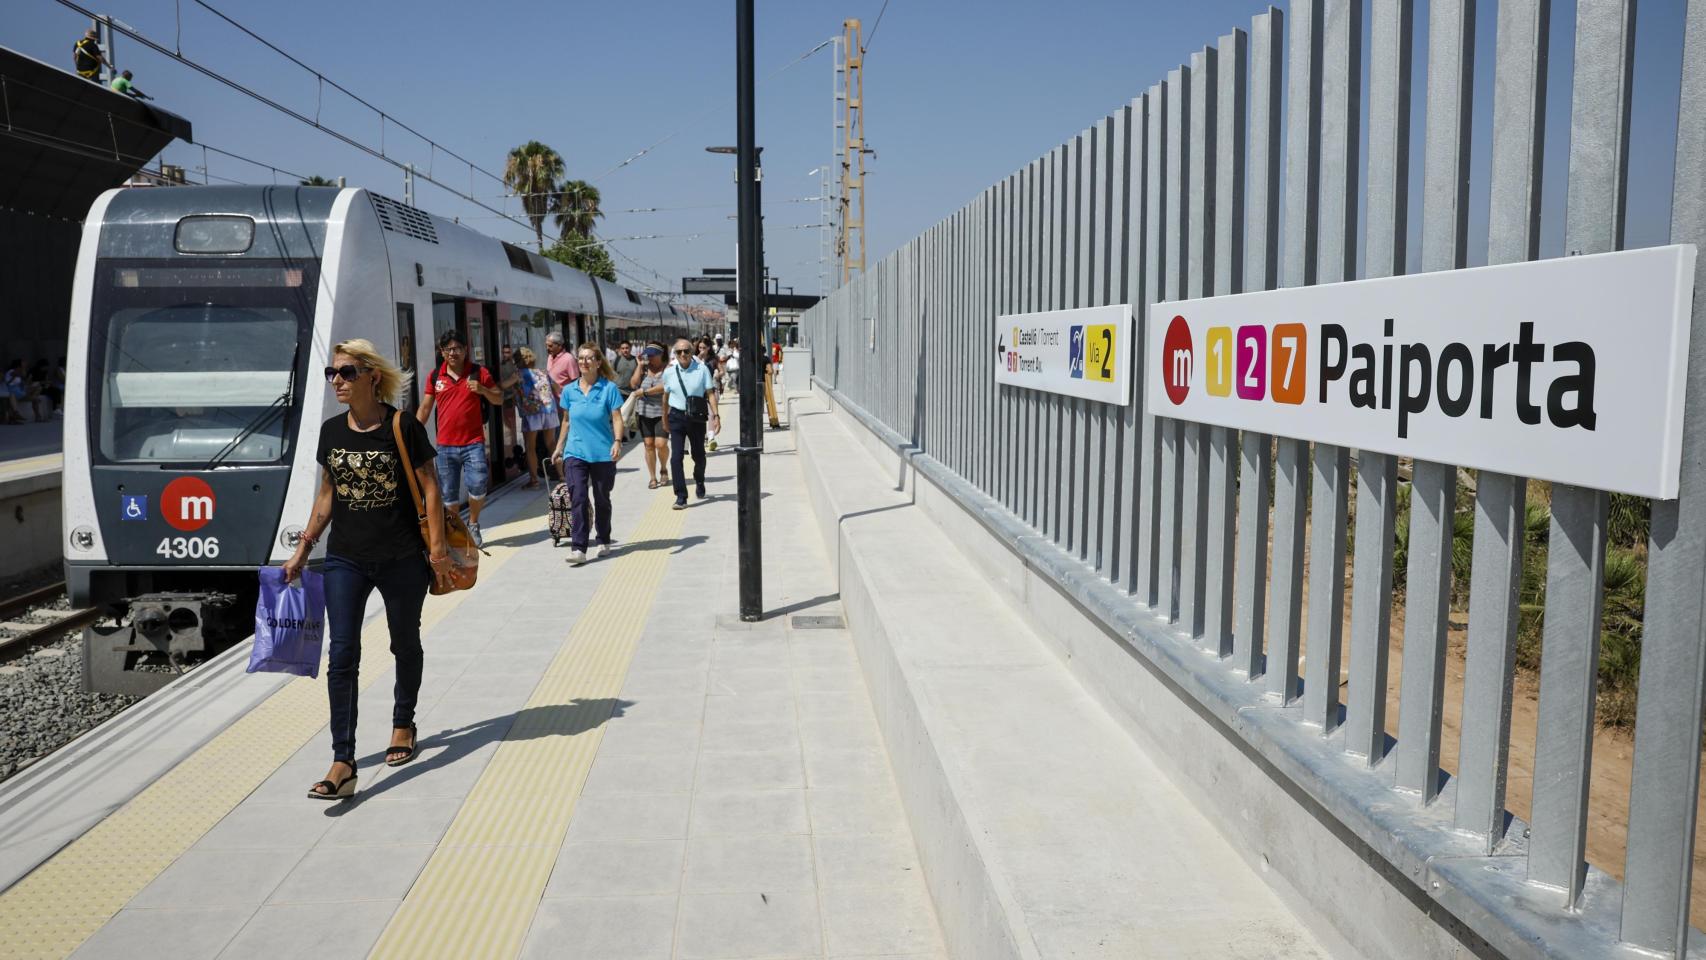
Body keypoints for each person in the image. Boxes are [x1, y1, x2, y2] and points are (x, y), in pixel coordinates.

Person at [281, 339, 449, 801]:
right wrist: (303, 549)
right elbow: (326, 494)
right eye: (333, 373)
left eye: (347, 372)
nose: (337, 380)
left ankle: (402, 723)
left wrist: (436, 550)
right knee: (342, 654)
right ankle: (343, 759)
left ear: (372, 376)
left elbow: (431, 488)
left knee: (403, 641)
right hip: (345, 558)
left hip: (401, 557)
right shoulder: (331, 431)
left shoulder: (402, 426)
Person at [417, 329, 501, 547]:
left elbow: (499, 398)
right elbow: (425, 408)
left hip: (473, 443)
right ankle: (455, 531)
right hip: (445, 446)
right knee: (448, 495)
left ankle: (473, 523)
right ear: (442, 352)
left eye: (457, 348)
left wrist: (482, 389)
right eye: (448, 349)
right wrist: (413, 433)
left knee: (479, 484)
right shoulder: (435, 376)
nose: (452, 353)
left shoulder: (478, 372)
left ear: (465, 350)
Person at [551, 344, 626, 565]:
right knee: (579, 498)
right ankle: (579, 548)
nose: (584, 362)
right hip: (575, 452)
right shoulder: (569, 391)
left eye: (589, 358)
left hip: (603, 452)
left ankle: (603, 538)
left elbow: (617, 418)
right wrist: (559, 447)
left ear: (598, 362)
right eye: (580, 358)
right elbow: (566, 421)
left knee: (602, 499)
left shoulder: (608, 388)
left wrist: (618, 441)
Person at [663, 338, 719, 510]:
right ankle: (681, 496)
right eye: (678, 352)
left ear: (692, 352)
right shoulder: (669, 372)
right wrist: (664, 418)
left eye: (686, 351)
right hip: (676, 416)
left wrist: (716, 416)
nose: (682, 355)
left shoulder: (702, 370)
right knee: (676, 457)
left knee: (699, 455)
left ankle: (699, 479)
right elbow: (665, 397)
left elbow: (710, 394)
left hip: (696, 417)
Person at [512, 346, 558, 489]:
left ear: (518, 361)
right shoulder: (543, 372)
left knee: (530, 447)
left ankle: (534, 481)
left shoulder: (518, 374)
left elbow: (503, 385)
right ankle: (562, 475)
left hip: (531, 413)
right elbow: (556, 388)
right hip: (549, 410)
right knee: (551, 443)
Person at [631, 344, 670, 489]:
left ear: (661, 355)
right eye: (649, 355)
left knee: (661, 444)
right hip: (644, 412)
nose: (650, 357)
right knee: (648, 445)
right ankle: (653, 477)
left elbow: (665, 386)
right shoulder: (644, 369)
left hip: (662, 412)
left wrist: (646, 392)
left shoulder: (668, 368)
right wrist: (639, 366)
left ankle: (664, 468)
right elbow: (634, 384)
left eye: (653, 355)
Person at [4, 359, 48, 423]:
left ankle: (38, 417)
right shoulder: (12, 371)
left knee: (38, 388)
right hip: (14, 391)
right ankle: (34, 400)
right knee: (36, 391)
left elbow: (23, 380)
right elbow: (22, 375)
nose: (25, 363)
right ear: (18, 365)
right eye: (23, 362)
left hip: (19, 391)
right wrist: (24, 368)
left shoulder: (18, 372)